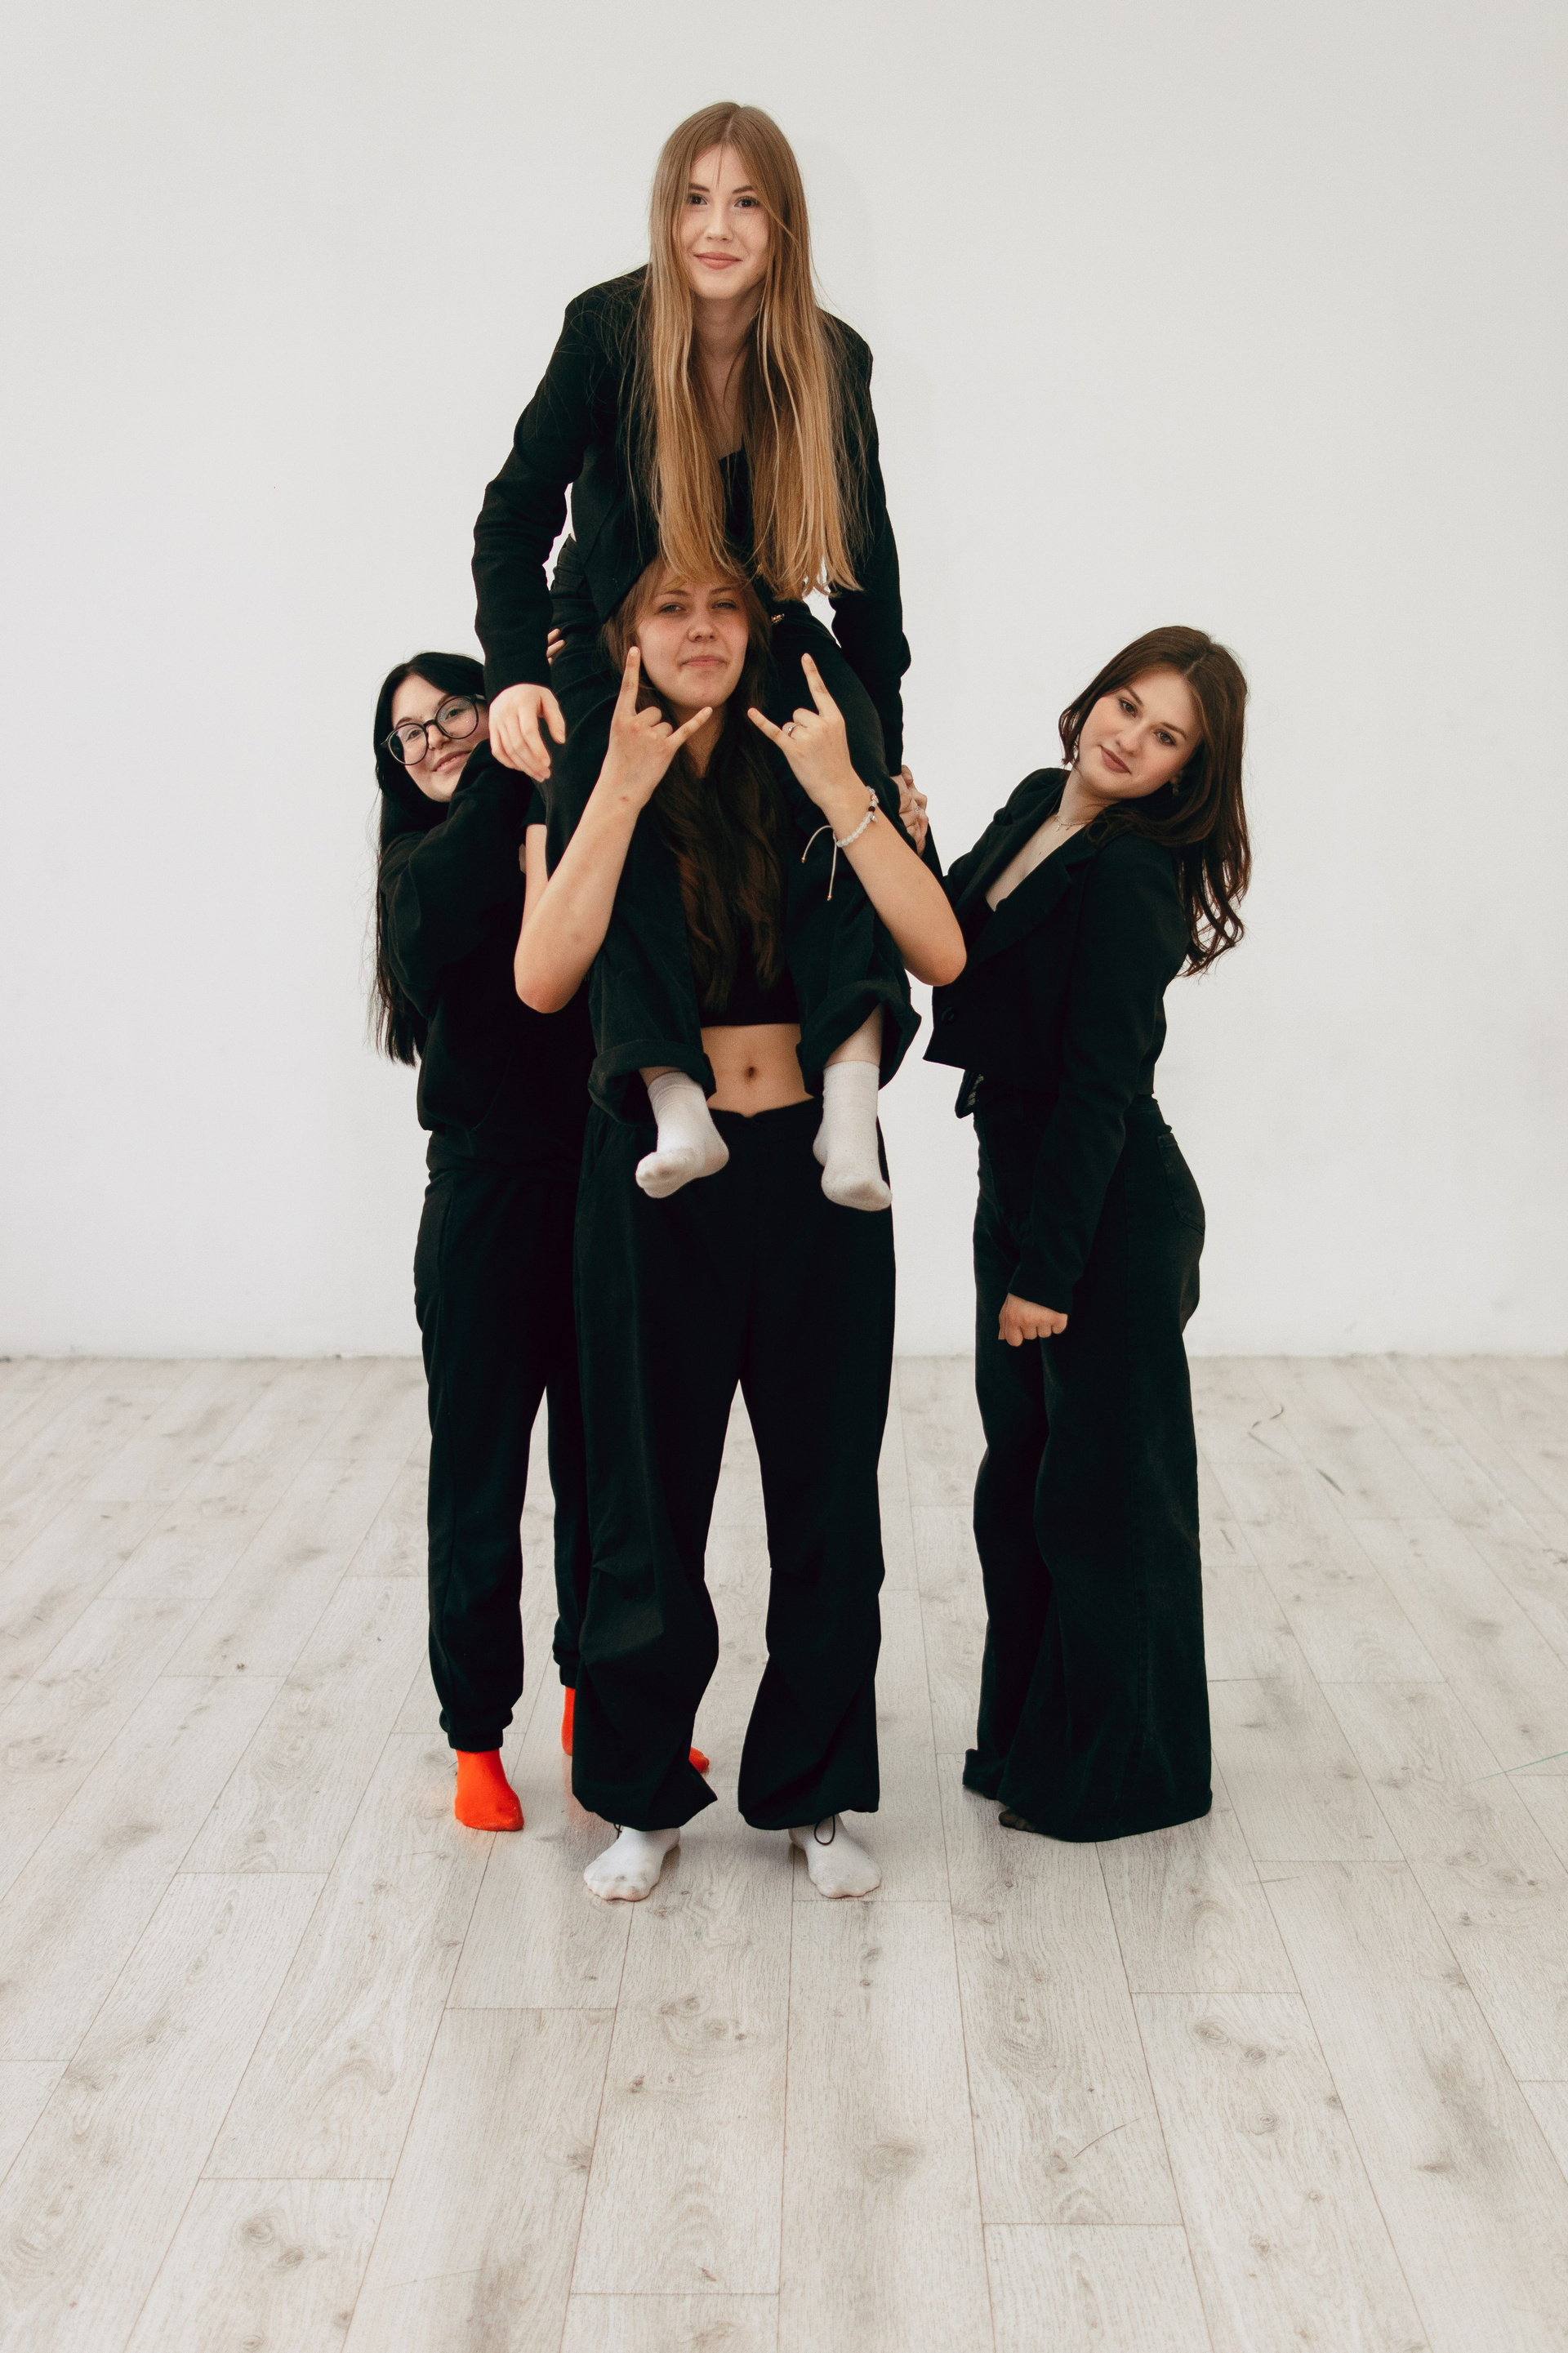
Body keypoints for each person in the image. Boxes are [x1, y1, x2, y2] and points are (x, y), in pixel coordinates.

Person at [515, 558, 965, 1902]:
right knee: (646, 1501)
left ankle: (813, 1795)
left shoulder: (815, 734)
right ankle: (640, 1795)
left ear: (759, 620)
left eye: (723, 605)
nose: (700, 628)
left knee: (828, 1501)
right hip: (659, 1182)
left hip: (823, 1174)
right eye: (670, 607)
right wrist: (616, 789)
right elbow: (543, 978)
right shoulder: (601, 757)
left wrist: (851, 797)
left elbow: (941, 953)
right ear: (628, 631)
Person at [474, 100, 918, 1202]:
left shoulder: (830, 360)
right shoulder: (607, 331)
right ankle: (670, 1091)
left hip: (755, 623)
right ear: (666, 215)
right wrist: (516, 673)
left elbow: (869, 581)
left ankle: (850, 1094)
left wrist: (884, 757)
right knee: (603, 789)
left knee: (848, 767)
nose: (717, 229)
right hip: (613, 629)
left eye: (747, 203)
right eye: (695, 200)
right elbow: (512, 515)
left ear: (783, 225)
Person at [372, 655, 709, 1834]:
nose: (433, 740)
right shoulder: (422, 869)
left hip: (603, 1180)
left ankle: (591, 1696)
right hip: (483, 1201)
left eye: (452, 712)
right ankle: (477, 1735)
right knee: (479, 1478)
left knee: (604, 1468)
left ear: (495, 706)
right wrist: (511, 769)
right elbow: (471, 924)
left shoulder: (562, 824)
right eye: (407, 734)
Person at [925, 626, 1250, 1842]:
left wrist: (1048, 1272)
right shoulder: (1035, 802)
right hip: (1018, 1179)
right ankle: (1031, 1742)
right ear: (1092, 699)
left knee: (1106, 1499)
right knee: (1022, 1483)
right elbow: (957, 947)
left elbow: (1105, 1086)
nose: (1129, 739)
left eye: (1166, 738)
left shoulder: (1133, 874)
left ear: (1185, 774)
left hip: (1103, 1212)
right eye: (1126, 705)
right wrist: (906, 841)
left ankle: (1128, 1775)